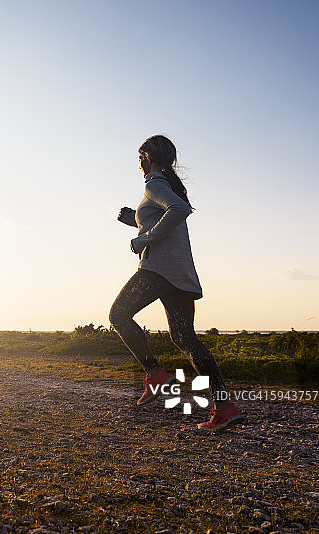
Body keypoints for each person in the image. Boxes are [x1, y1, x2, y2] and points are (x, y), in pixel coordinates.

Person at [109, 134, 243, 431]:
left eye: (140, 158)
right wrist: (135, 220)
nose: (139, 165)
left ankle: (154, 374)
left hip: (158, 269)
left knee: (118, 316)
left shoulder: (154, 183)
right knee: (184, 338)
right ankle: (224, 406)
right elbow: (169, 217)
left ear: (148, 157)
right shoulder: (166, 184)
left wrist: (143, 238)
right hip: (180, 272)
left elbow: (179, 211)